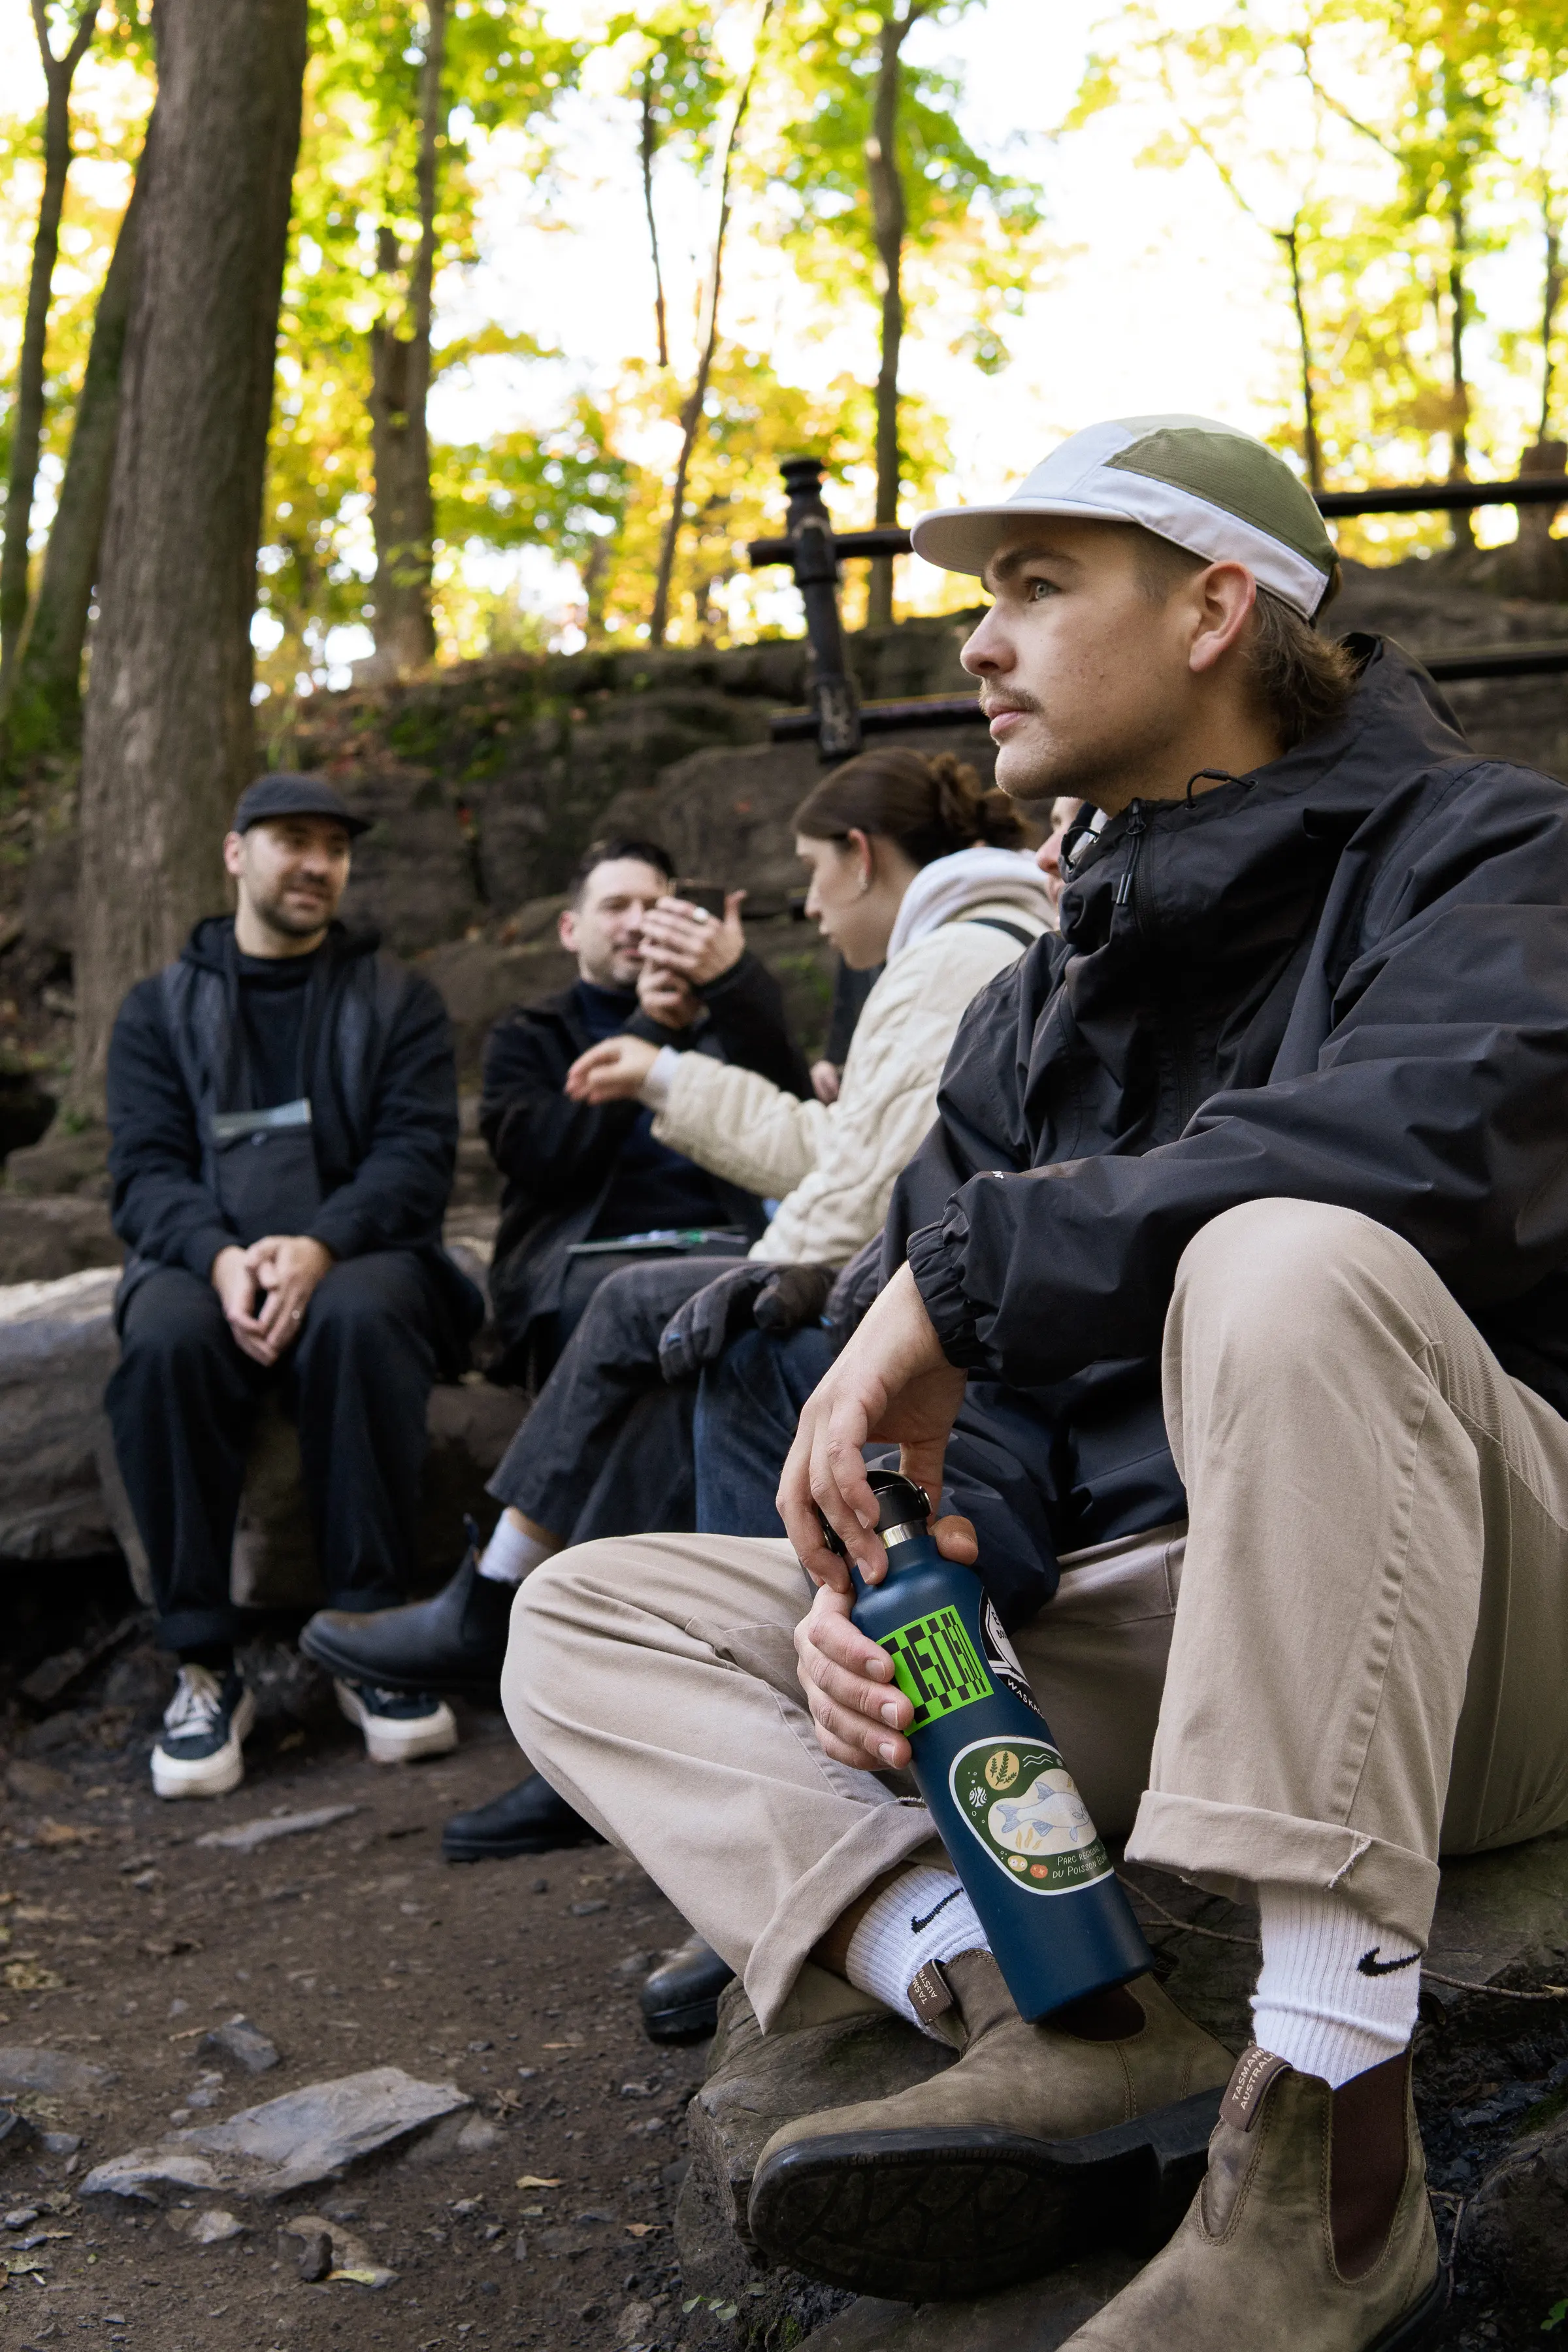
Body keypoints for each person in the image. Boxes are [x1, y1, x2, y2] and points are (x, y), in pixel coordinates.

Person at [504, 414, 1568, 2346]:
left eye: (1031, 586)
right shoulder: (1028, 1010)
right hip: (1159, 1655)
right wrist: (931, 1569)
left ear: (1210, 608)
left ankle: (1324, 2150)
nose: (975, 646)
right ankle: (1050, 2008)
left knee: (1286, 1254)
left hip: (1476, 1630)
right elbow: (979, 1433)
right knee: (593, 1615)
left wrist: (948, 1279)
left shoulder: (1492, 851)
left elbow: (1434, 1156)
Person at [301, 749, 1054, 1901]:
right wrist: (658, 1074)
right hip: (869, 1273)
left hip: (917, 1307)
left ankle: (518, 1620)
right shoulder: (950, 949)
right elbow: (837, 1157)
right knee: (653, 1314)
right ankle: (566, 1683)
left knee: (678, 1316)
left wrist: (750, 1228)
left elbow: (849, 1192)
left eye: (812, 872)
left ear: (860, 856)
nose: (808, 904)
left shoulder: (953, 954)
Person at [105, 772, 483, 1801]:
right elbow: (143, 1174)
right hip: (203, 1258)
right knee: (168, 1342)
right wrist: (223, 1258)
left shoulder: (396, 999)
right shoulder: (158, 1010)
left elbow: (414, 1160)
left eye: (334, 845)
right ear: (236, 854)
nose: (316, 862)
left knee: (360, 1317)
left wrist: (318, 1245)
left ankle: (369, 1638)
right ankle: (203, 1665)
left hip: (361, 1254)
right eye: (290, 840)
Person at [482, 837, 809, 1388]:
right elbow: (544, 1159)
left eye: (653, 908)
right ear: (569, 930)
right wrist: (652, 1031)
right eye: (615, 908)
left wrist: (735, 982)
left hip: (729, 1243)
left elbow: (801, 1121)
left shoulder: (728, 1021)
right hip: (581, 1261)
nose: (637, 923)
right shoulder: (527, 1034)